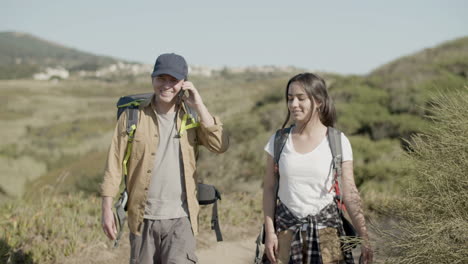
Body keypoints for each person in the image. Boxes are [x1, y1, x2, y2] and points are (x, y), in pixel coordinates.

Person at [100, 53, 229, 264]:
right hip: (142, 220)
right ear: (153, 79)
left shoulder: (192, 116)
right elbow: (113, 165)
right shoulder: (132, 117)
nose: (166, 85)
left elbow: (220, 145)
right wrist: (106, 209)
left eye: (173, 80)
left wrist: (199, 105)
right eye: (161, 78)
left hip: (182, 219)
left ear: (184, 83)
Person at [262, 73, 373, 264]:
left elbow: (350, 192)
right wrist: (269, 233)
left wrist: (364, 235)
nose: (293, 104)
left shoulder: (338, 141)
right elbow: (270, 188)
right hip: (285, 234)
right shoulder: (279, 140)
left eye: (301, 98)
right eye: (290, 99)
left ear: (319, 101)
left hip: (328, 236)